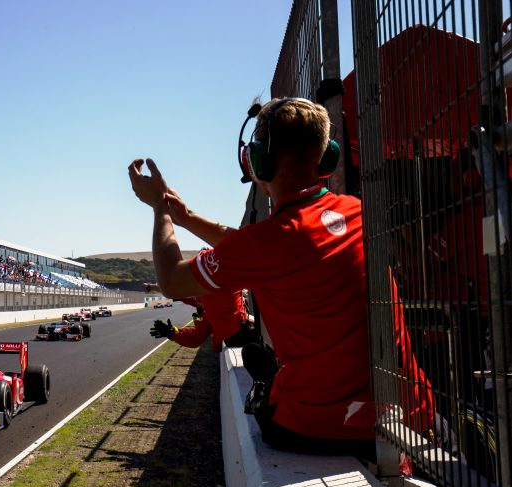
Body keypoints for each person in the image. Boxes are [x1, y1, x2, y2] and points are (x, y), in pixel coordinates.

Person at [127, 97, 429, 458]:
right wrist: (186, 216)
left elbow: (172, 281)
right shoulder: (357, 211)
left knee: (264, 395)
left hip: (322, 427)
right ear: (327, 156)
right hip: (406, 415)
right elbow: (259, 246)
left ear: (257, 161)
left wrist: (160, 211)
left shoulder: (267, 243)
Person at [150, 289, 258, 353]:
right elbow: (195, 337)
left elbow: (195, 338)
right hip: (250, 339)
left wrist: (172, 333)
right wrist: (173, 332)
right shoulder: (210, 311)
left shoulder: (213, 310)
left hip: (246, 342)